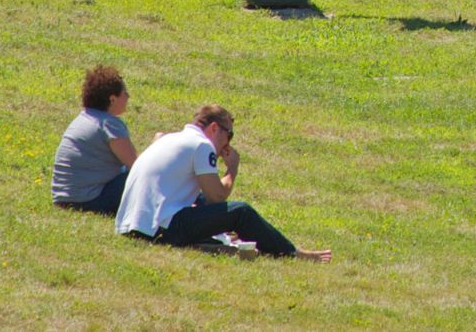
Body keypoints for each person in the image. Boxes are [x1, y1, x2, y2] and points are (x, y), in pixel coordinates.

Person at [115, 104, 331, 262]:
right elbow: (217, 196)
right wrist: (232, 169)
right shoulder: (201, 145)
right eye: (230, 135)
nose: (227, 145)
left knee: (201, 202)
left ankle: (215, 243)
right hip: (159, 229)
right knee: (241, 212)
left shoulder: (168, 138)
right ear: (214, 128)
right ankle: (291, 253)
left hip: (131, 225)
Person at [52, 65, 139, 214]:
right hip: (90, 200)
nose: (128, 96)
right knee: (144, 177)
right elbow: (137, 167)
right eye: (124, 93)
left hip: (64, 199)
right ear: (112, 99)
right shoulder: (110, 124)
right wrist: (158, 146)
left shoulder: (83, 118)